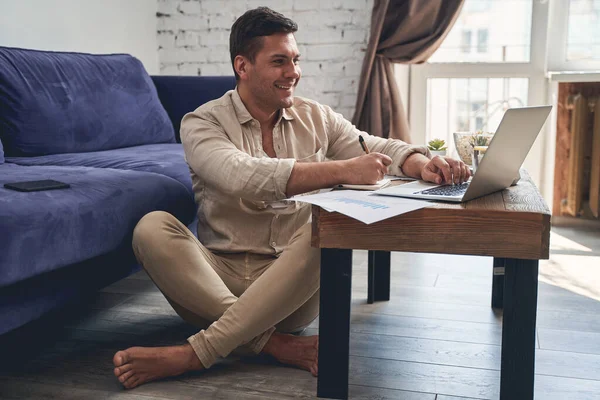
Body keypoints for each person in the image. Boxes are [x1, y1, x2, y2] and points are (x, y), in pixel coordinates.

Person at [112, 7, 470, 389]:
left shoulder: (316, 116)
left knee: (330, 224)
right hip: (215, 282)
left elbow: (371, 144)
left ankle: (195, 353)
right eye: (279, 61)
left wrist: (420, 163)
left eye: (295, 60)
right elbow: (242, 175)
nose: (293, 72)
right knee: (151, 229)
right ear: (242, 66)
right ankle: (275, 345)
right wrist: (342, 170)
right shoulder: (202, 122)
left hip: (290, 291)